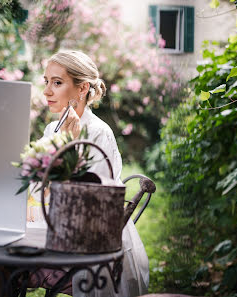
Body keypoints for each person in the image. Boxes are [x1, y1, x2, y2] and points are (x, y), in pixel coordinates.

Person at [30, 49, 149, 297]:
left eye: (57, 82)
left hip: (86, 249)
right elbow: (36, 187)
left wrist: (66, 153)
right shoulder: (53, 127)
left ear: (82, 88)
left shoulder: (99, 133)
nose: (47, 91)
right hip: (50, 232)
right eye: (47, 82)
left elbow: (89, 208)